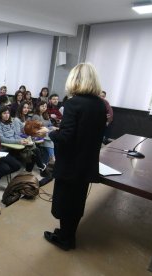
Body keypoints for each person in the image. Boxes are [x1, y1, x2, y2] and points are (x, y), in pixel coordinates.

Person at [44, 63, 106, 251]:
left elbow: (65, 138)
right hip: (86, 164)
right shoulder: (100, 105)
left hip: (70, 165)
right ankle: (68, 234)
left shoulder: (73, 103)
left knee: (64, 203)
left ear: (75, 80)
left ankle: (65, 240)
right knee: (77, 202)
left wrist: (50, 133)